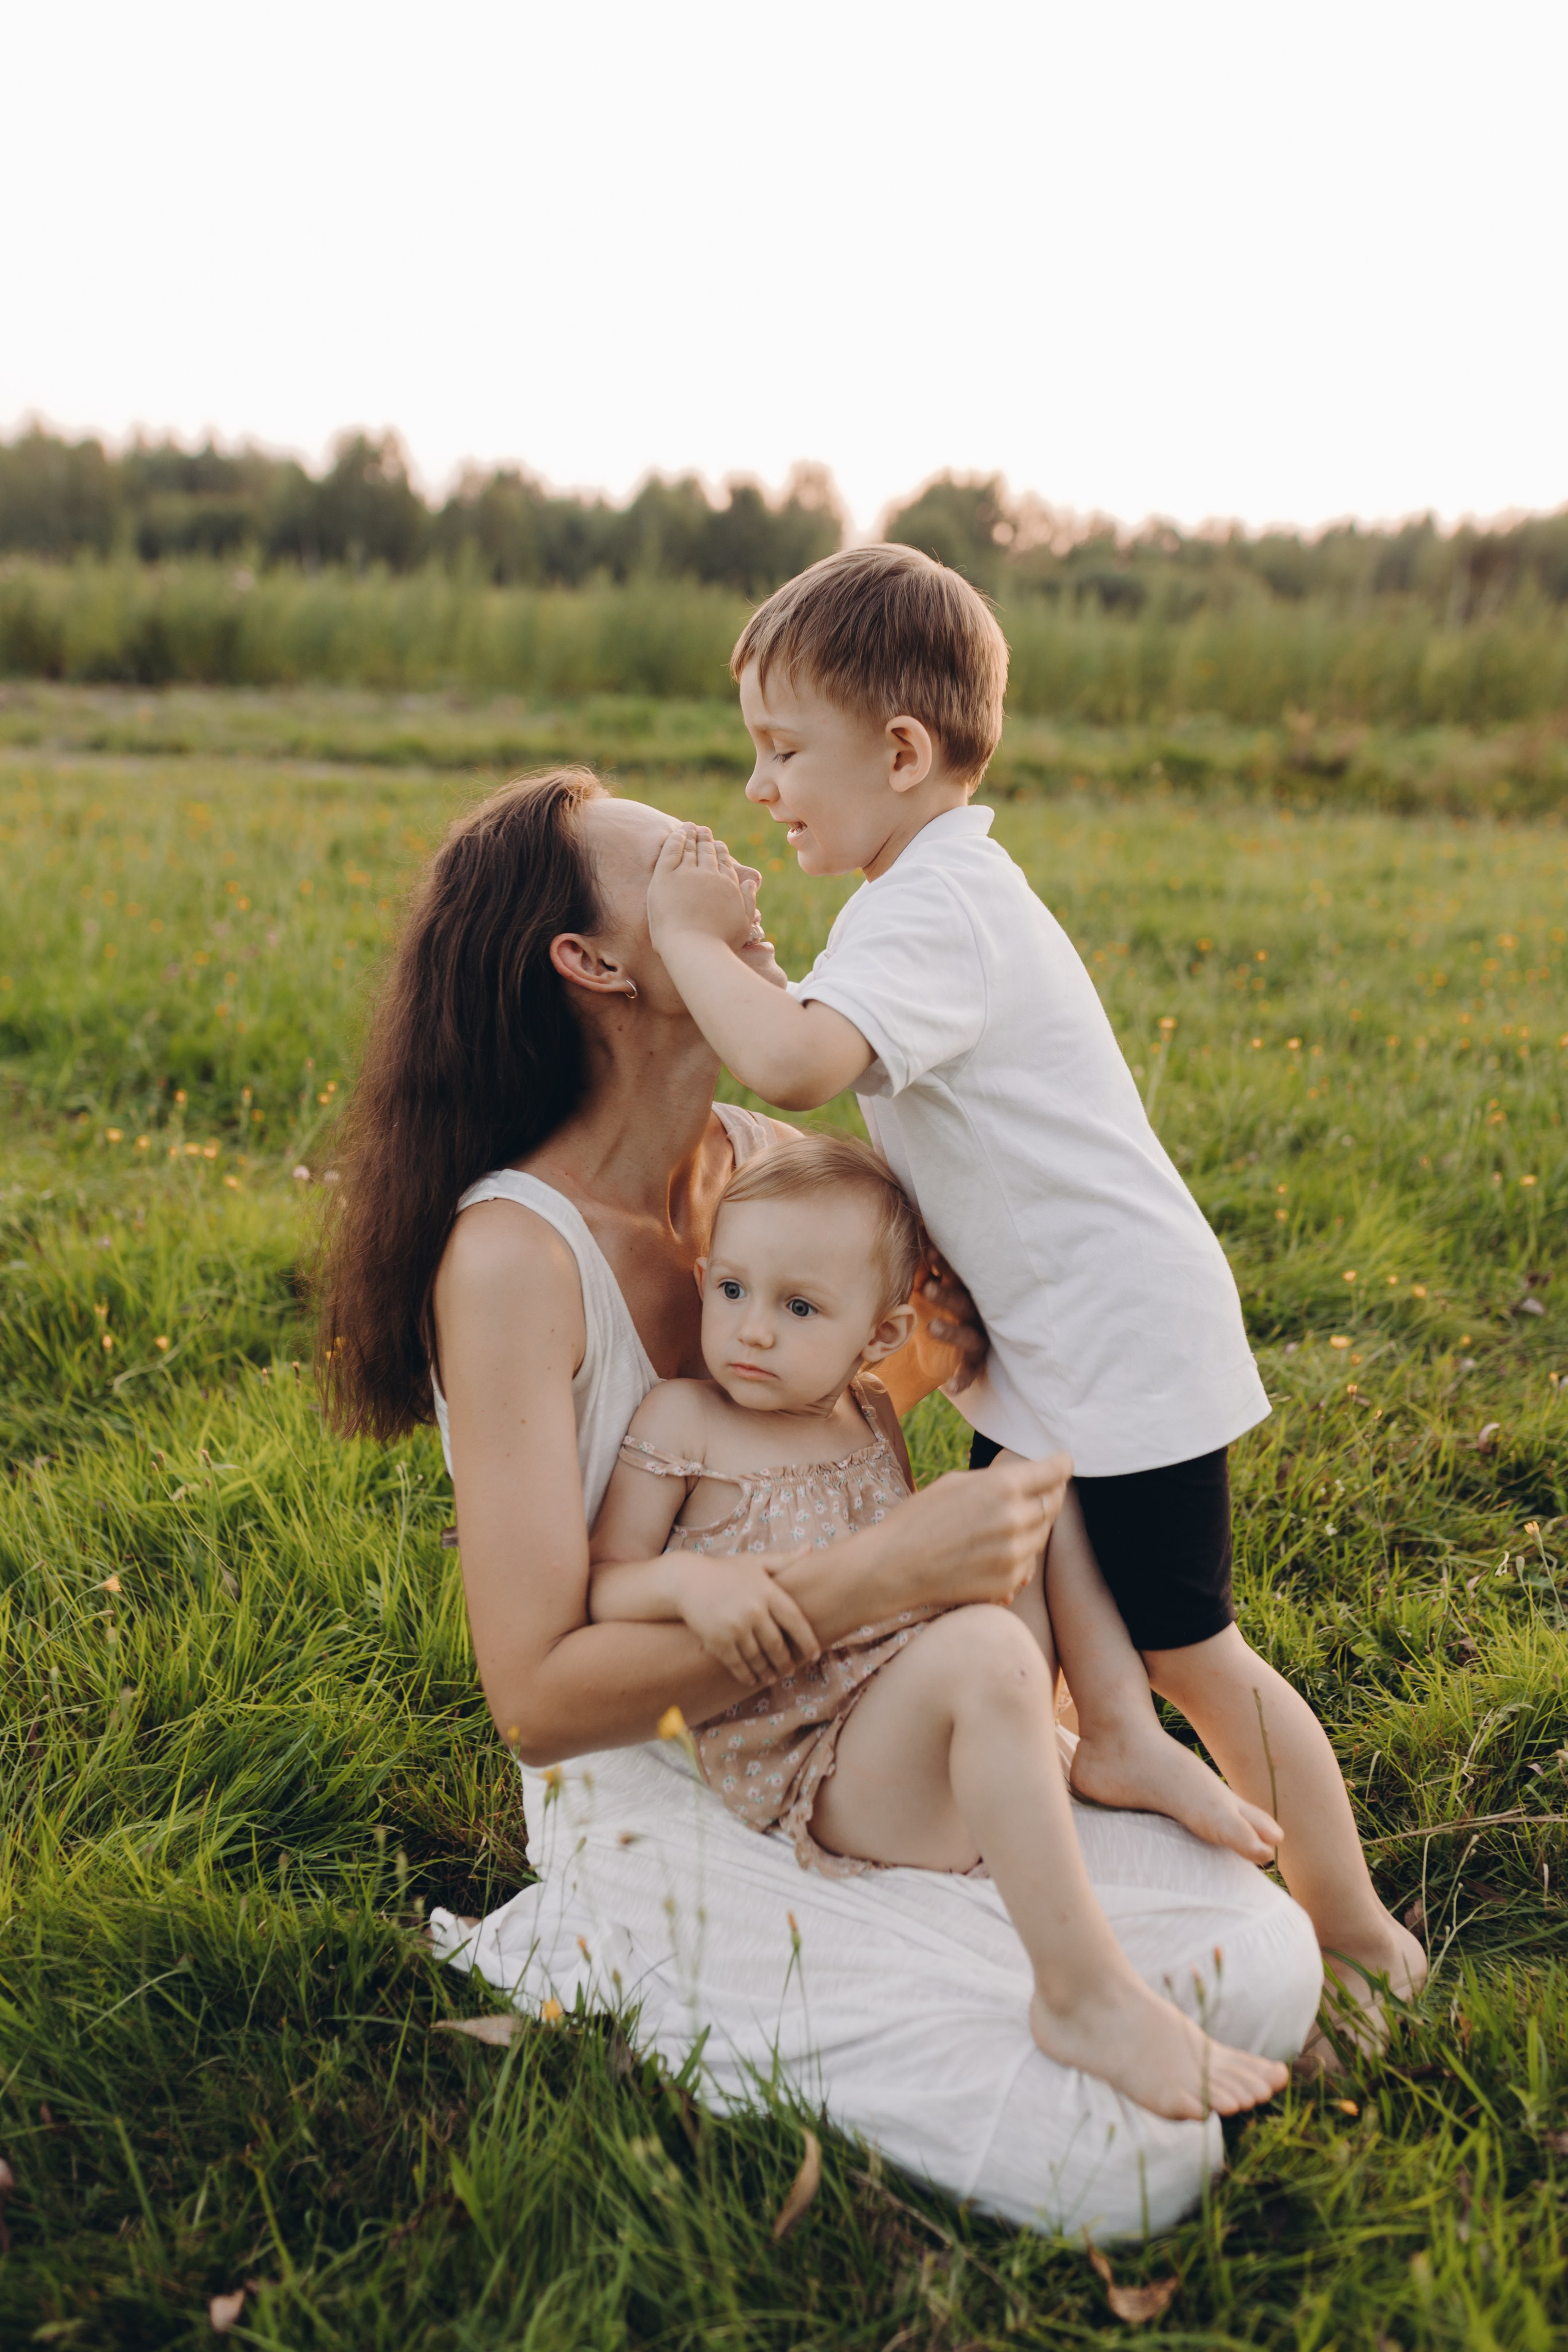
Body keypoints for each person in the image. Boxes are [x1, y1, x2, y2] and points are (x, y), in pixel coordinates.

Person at [318, 764, 1321, 2239]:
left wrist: (906, 1371)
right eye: (684, 865)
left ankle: (1053, 1974)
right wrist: (872, 1581)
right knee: (1130, 2168)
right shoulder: (514, 1260)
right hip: (664, 1788)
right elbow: (536, 1700)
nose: (740, 870)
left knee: (1268, 1962)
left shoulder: (765, 1177)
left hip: (867, 1722)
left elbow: (787, 1458)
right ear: (593, 965)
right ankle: (847, 1976)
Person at [643, 543, 1424, 2047]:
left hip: (1116, 1342)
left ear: (901, 751)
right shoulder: (919, 893)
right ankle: (1096, 1801)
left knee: (1187, 1639)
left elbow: (797, 1057)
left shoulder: (938, 908)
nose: (758, 788)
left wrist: (685, 941)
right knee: (1019, 1613)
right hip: (1053, 1343)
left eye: (780, 750)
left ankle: (1354, 1928)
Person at [589, 1131, 1289, 2120]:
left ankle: (1116, 1730)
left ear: (877, 1338)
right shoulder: (681, 1423)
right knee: (982, 1647)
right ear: (702, 1278)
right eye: (733, 1290)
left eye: (799, 1308)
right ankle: (1085, 1995)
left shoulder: (868, 1411)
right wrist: (688, 1590)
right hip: (825, 1769)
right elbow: (607, 1583)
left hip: (916, 1716)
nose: (752, 1332)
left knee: (1032, 1471)